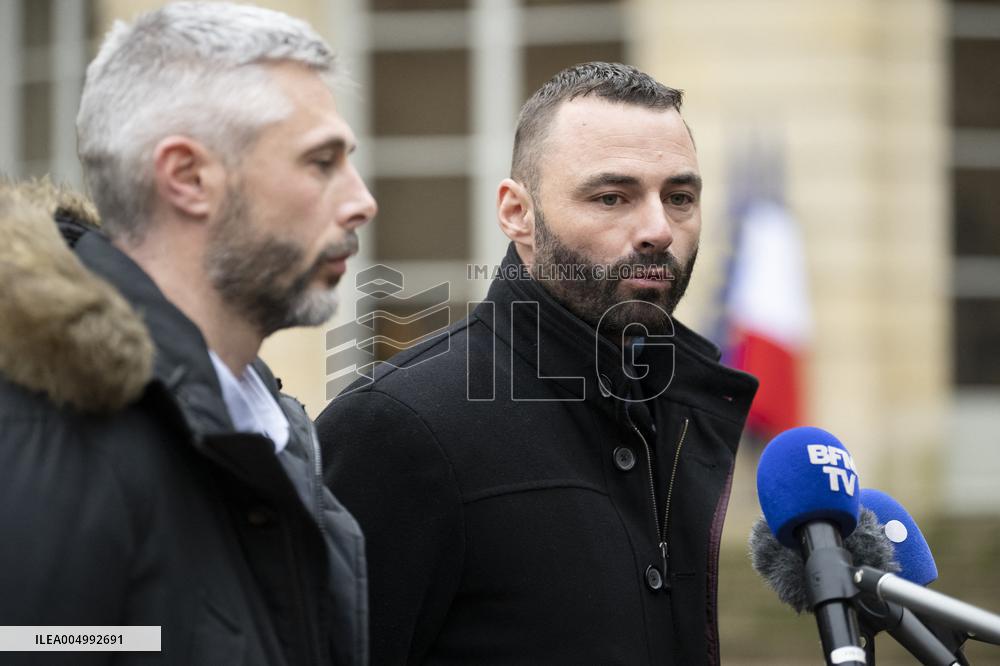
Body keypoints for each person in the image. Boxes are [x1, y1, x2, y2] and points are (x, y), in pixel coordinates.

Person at [317, 62, 759, 665]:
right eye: (612, 196)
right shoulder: (397, 427)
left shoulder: (678, 404)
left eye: (679, 197)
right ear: (516, 213)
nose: (659, 228)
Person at [0, 3, 375, 665]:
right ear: (188, 178)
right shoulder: (49, 435)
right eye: (321, 162)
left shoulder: (265, 424)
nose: (360, 200)